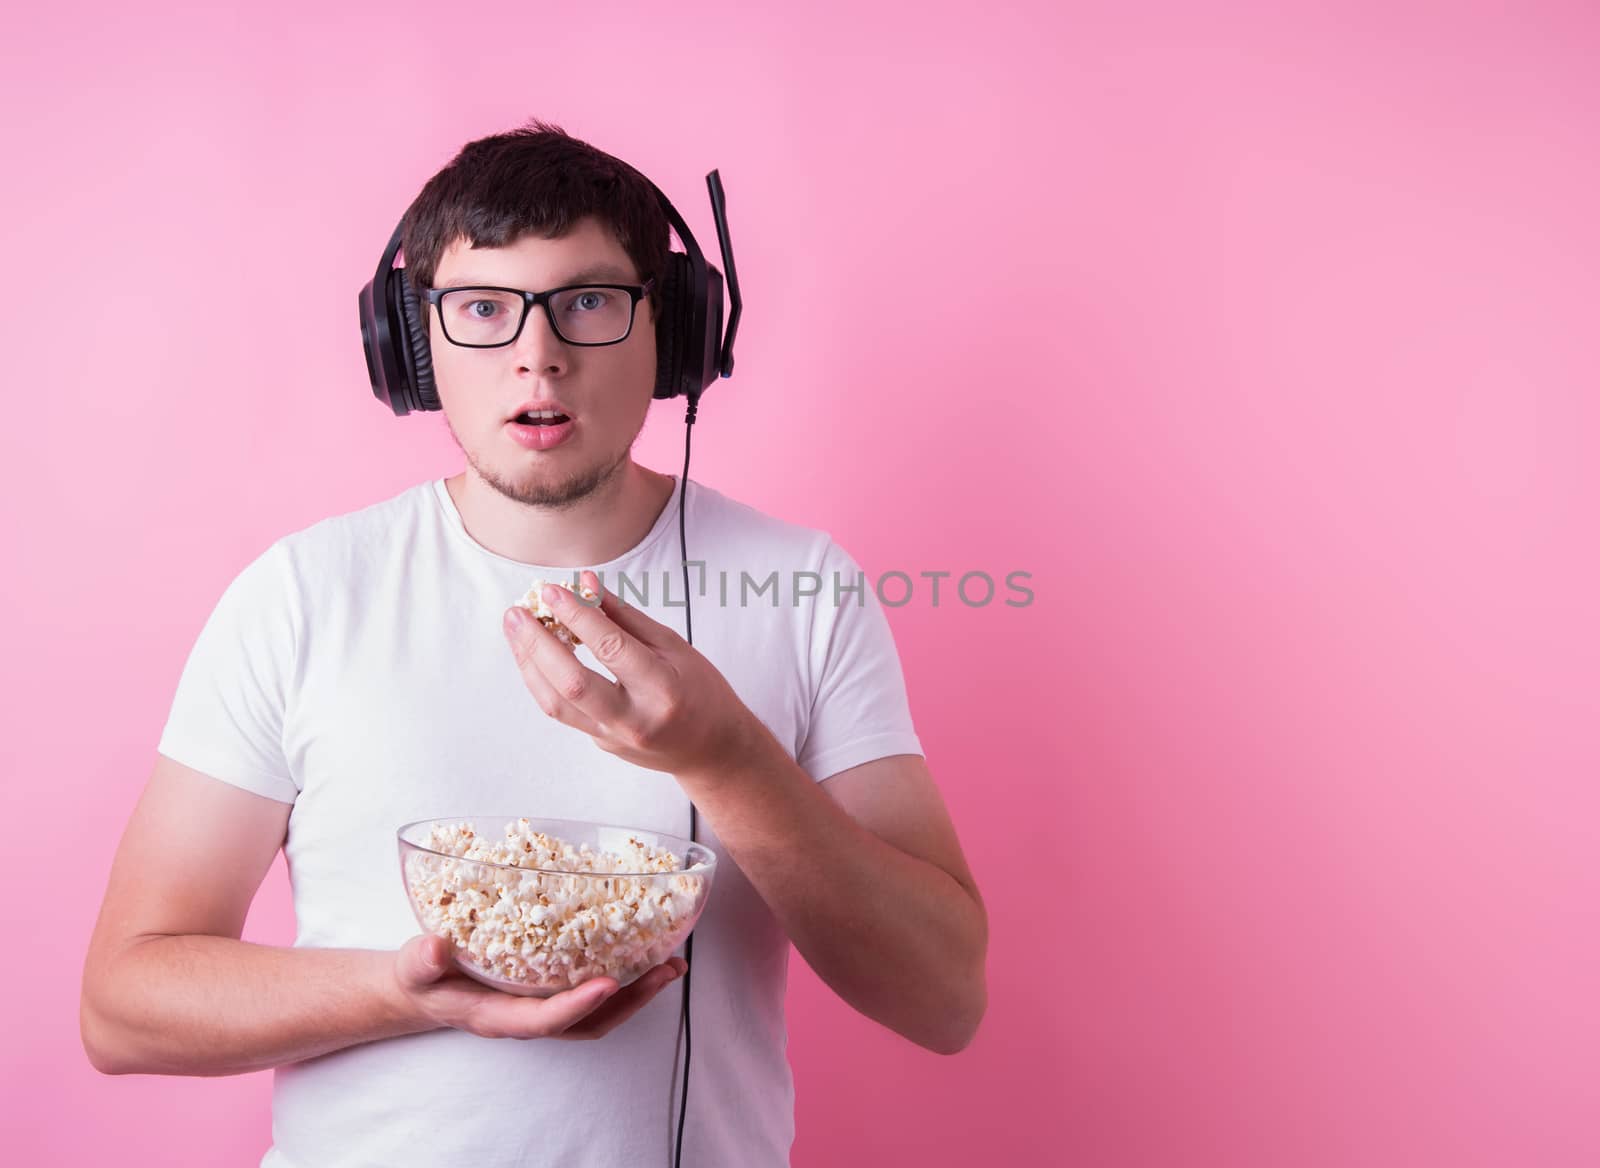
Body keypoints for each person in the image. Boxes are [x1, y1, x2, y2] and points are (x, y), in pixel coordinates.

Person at [79, 118, 988, 1168]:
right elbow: (123, 1006)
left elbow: (943, 997)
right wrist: (410, 992)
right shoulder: (301, 595)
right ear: (413, 345)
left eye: (590, 302)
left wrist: (724, 758)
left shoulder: (804, 589)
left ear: (677, 335)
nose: (537, 354)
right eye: (480, 308)